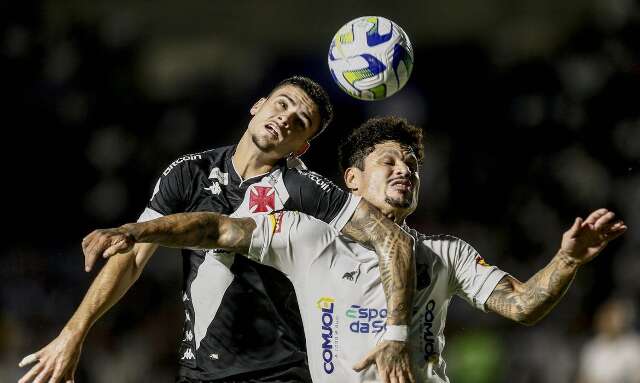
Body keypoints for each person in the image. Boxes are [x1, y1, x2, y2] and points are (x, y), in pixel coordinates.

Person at [81, 116, 628, 382]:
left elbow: (523, 305)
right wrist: (137, 231)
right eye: (389, 161)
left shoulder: (446, 252)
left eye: (412, 166)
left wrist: (568, 260)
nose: (404, 170)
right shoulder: (306, 236)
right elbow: (215, 229)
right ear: (352, 179)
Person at [18, 78, 416, 383]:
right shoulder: (188, 172)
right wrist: (73, 333)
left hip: (277, 373)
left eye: (300, 121)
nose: (285, 117)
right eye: (281, 104)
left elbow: (393, 240)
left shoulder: (304, 190)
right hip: (200, 372)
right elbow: (130, 257)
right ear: (257, 106)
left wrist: (396, 332)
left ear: (301, 147)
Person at [576, 298, 640, 383]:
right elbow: (583, 378)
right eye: (608, 318)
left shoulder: (633, 345)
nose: (612, 322)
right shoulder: (591, 347)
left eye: (615, 318)